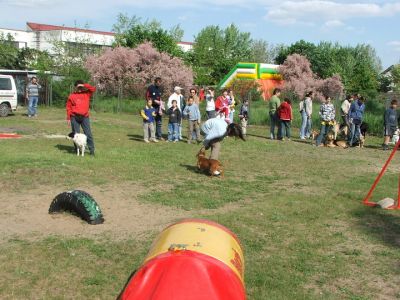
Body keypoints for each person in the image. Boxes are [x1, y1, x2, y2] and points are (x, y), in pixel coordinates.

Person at [66, 80, 96, 155]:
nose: (79, 89)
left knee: (88, 134)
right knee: (76, 135)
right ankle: (77, 150)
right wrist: (68, 118)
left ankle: (91, 150)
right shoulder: (72, 96)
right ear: (75, 87)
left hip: (85, 117)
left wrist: (84, 84)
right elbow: (68, 107)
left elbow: (93, 89)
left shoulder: (87, 94)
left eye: (80, 87)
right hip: (74, 117)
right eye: (78, 87)